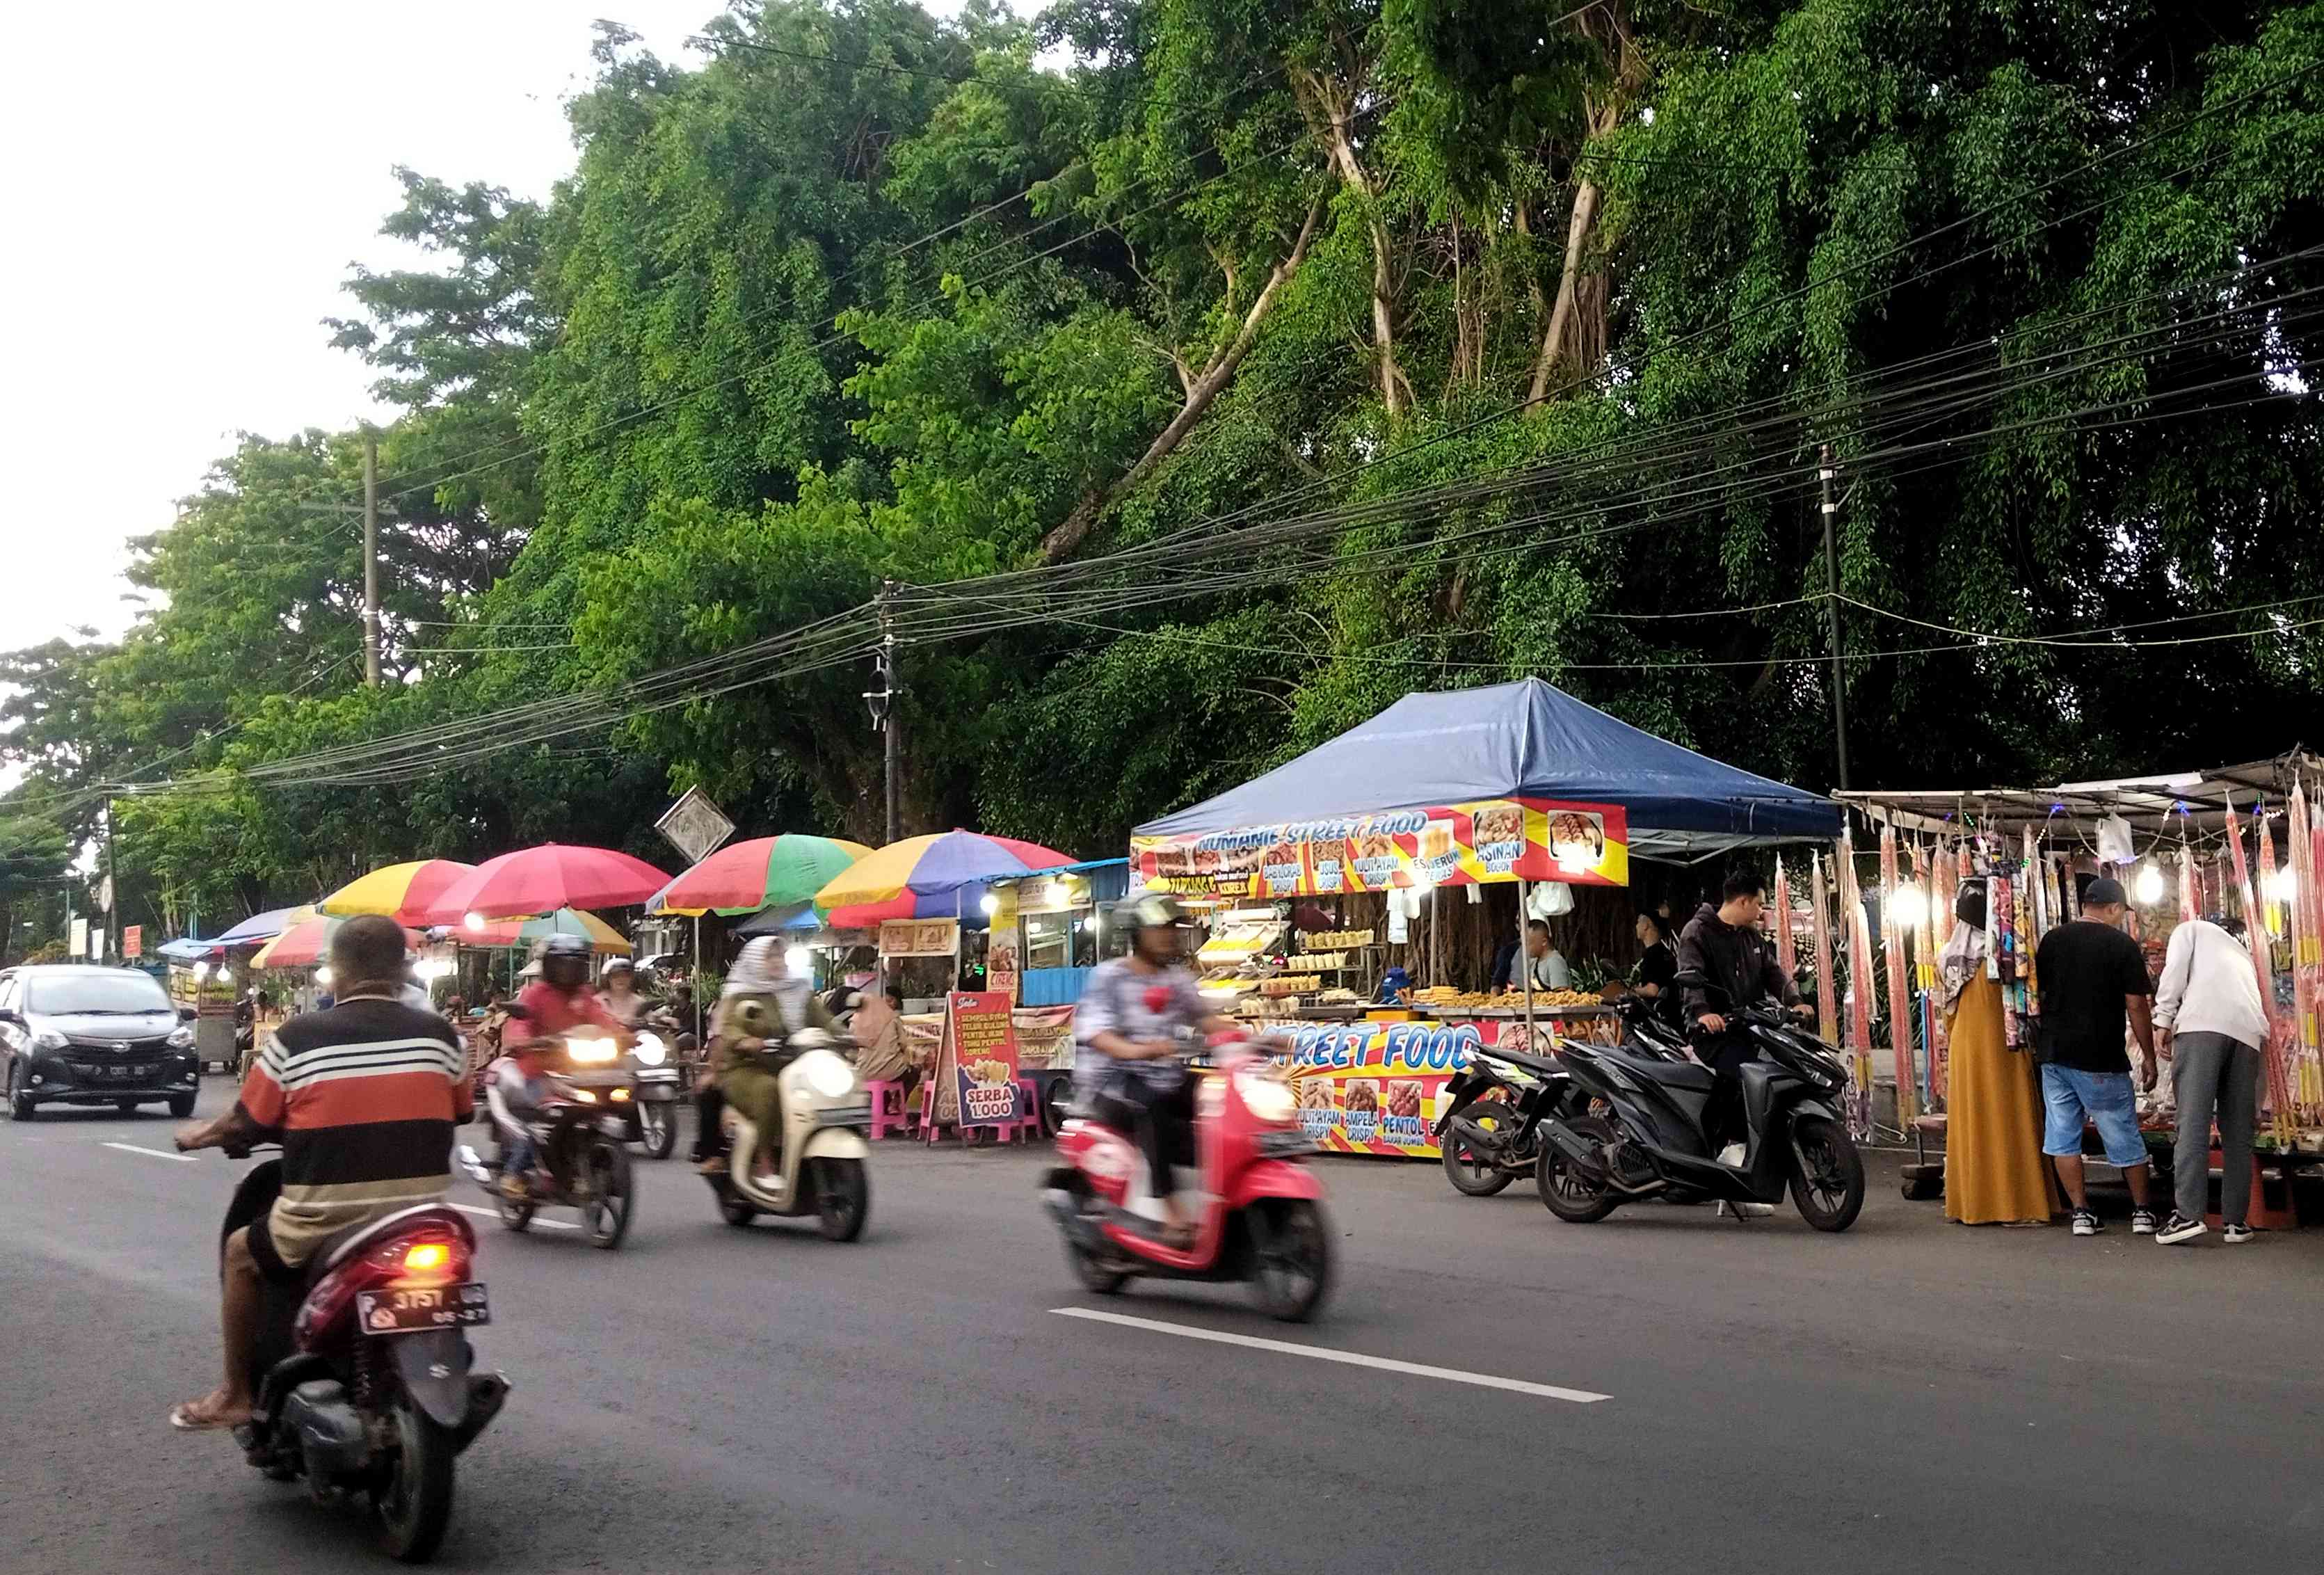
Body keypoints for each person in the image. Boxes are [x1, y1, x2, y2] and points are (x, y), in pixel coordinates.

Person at [168, 916, 469, 1431]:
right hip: (422, 1216)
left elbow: (249, 1121)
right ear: (402, 970)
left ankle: (236, 1392)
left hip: (325, 1219)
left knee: (242, 1251)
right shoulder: (441, 1035)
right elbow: (461, 1110)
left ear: (335, 971)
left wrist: (203, 1134)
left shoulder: (299, 1037)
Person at [1074, 894, 1240, 1244]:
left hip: (1165, 1073)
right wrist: (1139, 1051)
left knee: (1223, 1097)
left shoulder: (1177, 980)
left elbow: (1206, 1019)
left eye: (1171, 928)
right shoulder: (1111, 977)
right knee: (1152, 1106)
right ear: (1137, 933)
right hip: (1113, 1080)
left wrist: (1250, 1038)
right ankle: (1171, 1214)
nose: (1169, 935)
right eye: (1160, 928)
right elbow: (1098, 1035)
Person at [2030, 875, 2159, 1237]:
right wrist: (2148, 1056)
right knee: (2121, 1131)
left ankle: (2082, 1214)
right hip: (2100, 1056)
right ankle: (2142, 1212)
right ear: (2114, 908)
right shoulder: (2121, 945)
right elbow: (2136, 1004)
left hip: (2054, 1055)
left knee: (2062, 1136)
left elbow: (2038, 994)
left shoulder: (2052, 940)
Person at [1936, 881, 2057, 1225]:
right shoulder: (2007, 954)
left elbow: (1947, 1013)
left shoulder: (1948, 956)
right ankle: (2016, 1204)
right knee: (2010, 1116)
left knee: (1975, 1118)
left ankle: (1973, 1202)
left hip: (1966, 1047)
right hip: (2004, 1046)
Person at [1677, 870, 1811, 1170]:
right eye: (1760, 905)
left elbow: (1773, 973)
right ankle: (1731, 1150)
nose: (1762, 912)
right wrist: (1703, 1013)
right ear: (1743, 901)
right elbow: (1691, 980)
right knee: (1746, 1078)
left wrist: (1795, 1002)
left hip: (1751, 1027)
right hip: (1711, 1034)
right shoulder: (1697, 933)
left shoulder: (1751, 936)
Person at [2152, 914, 2271, 1245]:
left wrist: (2163, 1018)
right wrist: (2258, 1105)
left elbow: (2173, 971)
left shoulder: (2191, 929)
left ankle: (2188, 1215)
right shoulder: (2245, 957)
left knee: (2192, 1122)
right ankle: (2236, 1222)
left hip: (2202, 1025)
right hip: (2248, 1035)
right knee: (2238, 1132)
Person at [712, 937, 838, 1181]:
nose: (777, 962)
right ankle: (765, 1159)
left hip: (794, 1065)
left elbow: (824, 1020)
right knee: (770, 1091)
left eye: (780, 956)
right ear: (756, 960)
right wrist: (745, 1041)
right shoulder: (742, 994)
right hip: (747, 1068)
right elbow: (730, 1027)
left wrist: (848, 1035)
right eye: (770, 957)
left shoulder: (798, 990)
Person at [851, 984, 917, 1096]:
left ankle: (883, 1108)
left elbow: (852, 1047)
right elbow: (903, 1044)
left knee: (879, 1086)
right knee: (915, 1072)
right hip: (892, 1072)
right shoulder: (893, 1019)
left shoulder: (855, 1021)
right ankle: (896, 1103)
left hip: (863, 1073)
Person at [1489, 919, 1571, 991]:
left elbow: (1562, 996)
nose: (1525, 949)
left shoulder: (1554, 962)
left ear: (1544, 942)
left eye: (1528, 944)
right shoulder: (1535, 962)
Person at [1633, 911, 1678, 1016]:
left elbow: (1653, 990)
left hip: (1659, 1018)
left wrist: (1630, 992)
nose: (1636, 926)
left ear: (1646, 925)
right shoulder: (1665, 953)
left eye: (1638, 922)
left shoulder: (1652, 955)